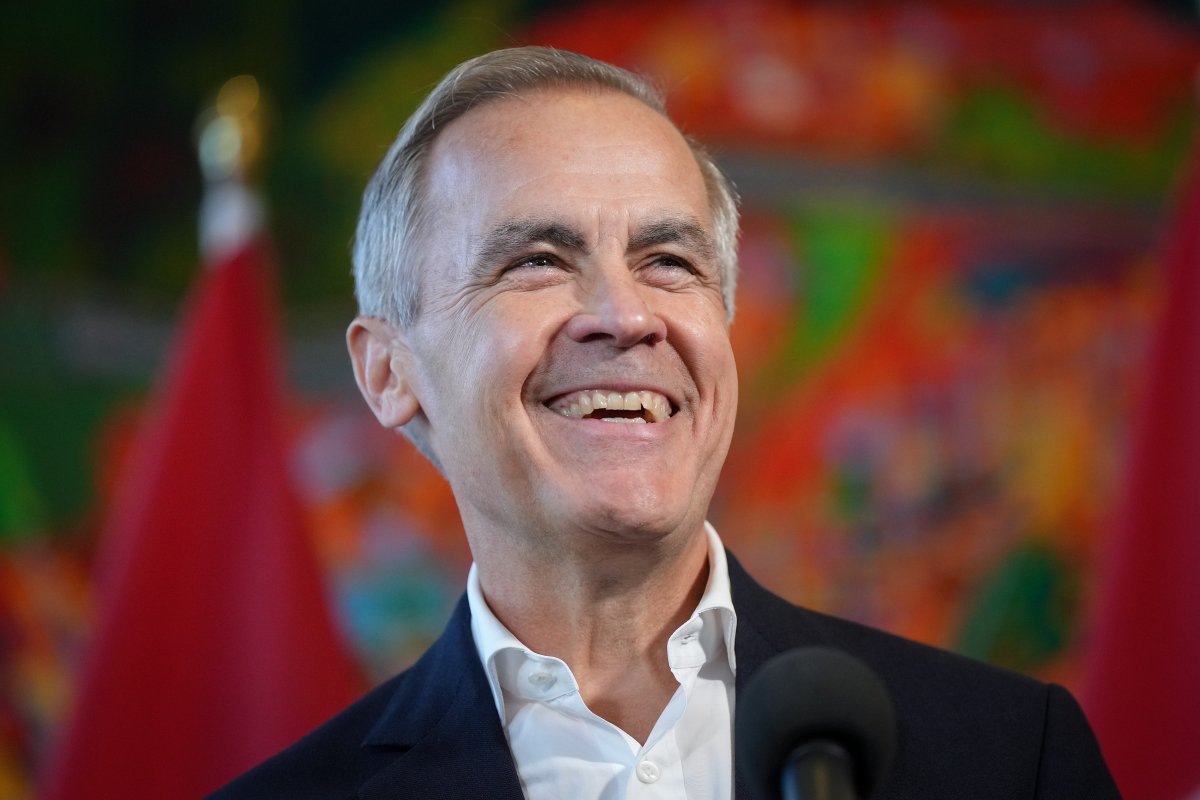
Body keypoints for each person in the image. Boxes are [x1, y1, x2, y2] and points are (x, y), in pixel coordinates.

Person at [210, 46, 1119, 799]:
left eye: (669, 261)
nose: (626, 314)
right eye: (536, 260)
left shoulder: (1013, 760)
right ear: (389, 371)